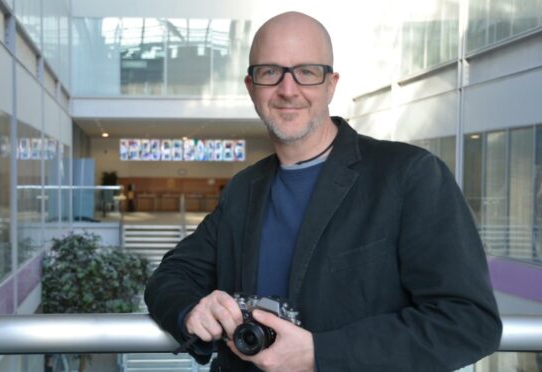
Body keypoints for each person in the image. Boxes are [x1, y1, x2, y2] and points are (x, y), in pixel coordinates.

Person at [145, 11, 502, 372]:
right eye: (270, 72)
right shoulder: (243, 189)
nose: (288, 89)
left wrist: (320, 353)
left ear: (331, 84)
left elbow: (468, 322)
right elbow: (170, 277)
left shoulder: (408, 175)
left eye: (307, 72)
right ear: (251, 87)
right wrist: (191, 310)